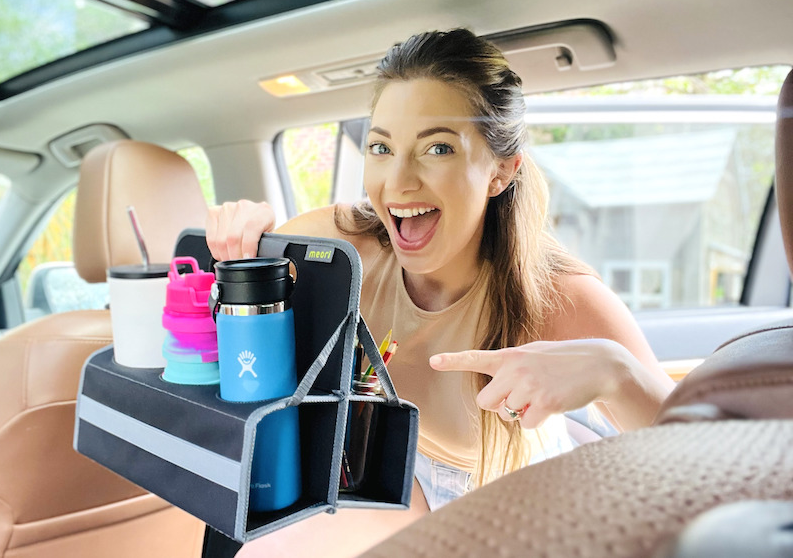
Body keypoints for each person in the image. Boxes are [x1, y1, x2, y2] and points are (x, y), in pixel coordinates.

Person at [206, 28, 676, 555]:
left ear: (501, 170)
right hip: (379, 474)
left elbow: (699, 448)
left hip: (502, 510)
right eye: (381, 147)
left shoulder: (555, 293)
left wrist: (615, 370)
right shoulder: (344, 245)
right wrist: (245, 232)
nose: (399, 182)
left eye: (437, 147)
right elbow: (233, 306)